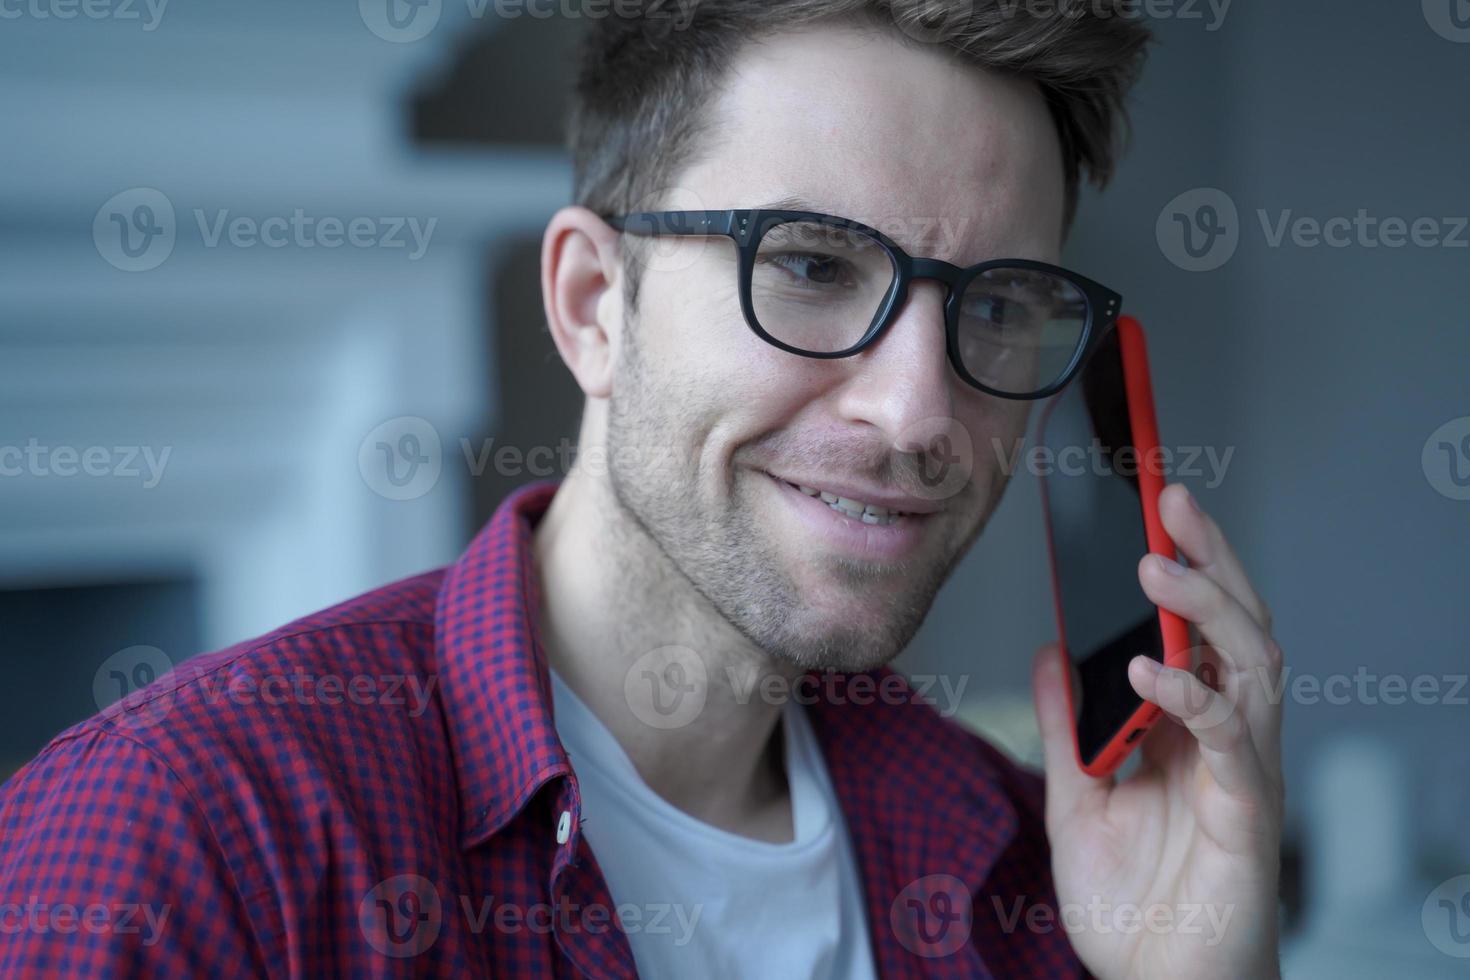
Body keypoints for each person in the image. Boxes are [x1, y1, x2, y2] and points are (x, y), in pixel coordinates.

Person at [0, 2, 1285, 977]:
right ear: (592, 306)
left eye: (999, 303)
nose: (915, 414)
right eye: (813, 266)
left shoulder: (1039, 866)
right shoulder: (184, 840)